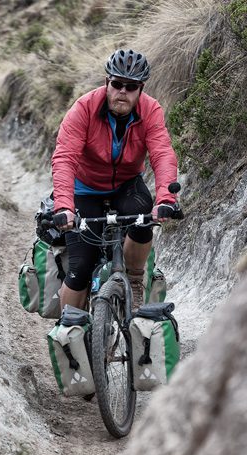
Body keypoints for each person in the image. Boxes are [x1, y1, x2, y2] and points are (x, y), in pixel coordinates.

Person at [51, 48, 178, 312]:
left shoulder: (150, 110)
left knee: (143, 216)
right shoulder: (84, 108)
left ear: (140, 89)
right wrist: (63, 206)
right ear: (107, 82)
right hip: (84, 189)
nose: (123, 91)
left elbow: (162, 154)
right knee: (80, 268)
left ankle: (133, 281)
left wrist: (166, 198)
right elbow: (65, 157)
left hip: (126, 185)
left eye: (130, 86)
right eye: (117, 84)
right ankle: (69, 334)